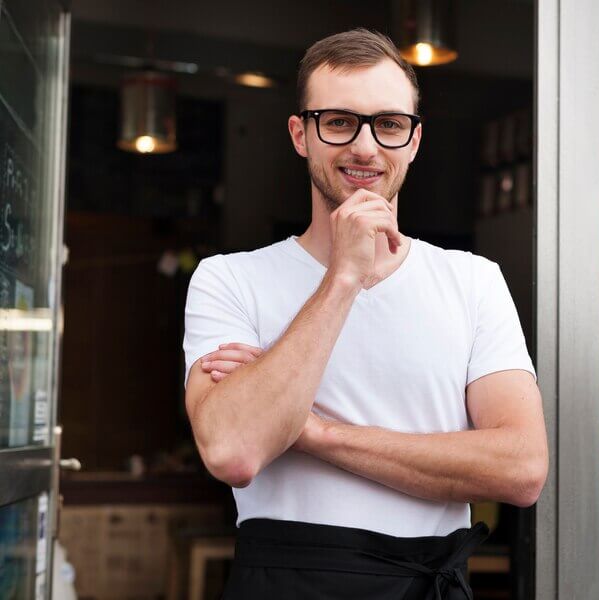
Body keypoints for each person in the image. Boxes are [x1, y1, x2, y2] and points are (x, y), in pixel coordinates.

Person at [182, 28, 547, 599]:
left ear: (415, 140)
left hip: (428, 583)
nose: (366, 146)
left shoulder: (473, 280)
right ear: (300, 134)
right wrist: (343, 278)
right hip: (284, 582)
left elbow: (522, 468)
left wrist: (313, 432)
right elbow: (233, 449)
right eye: (339, 121)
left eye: (389, 124)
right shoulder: (229, 280)